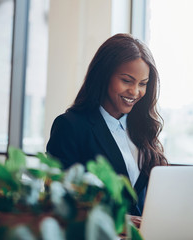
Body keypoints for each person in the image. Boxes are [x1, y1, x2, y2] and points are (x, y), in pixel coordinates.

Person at [46, 33, 168, 216]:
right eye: (126, 80)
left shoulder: (143, 128)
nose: (135, 92)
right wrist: (119, 221)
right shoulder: (70, 126)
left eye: (143, 84)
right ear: (103, 75)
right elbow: (58, 200)